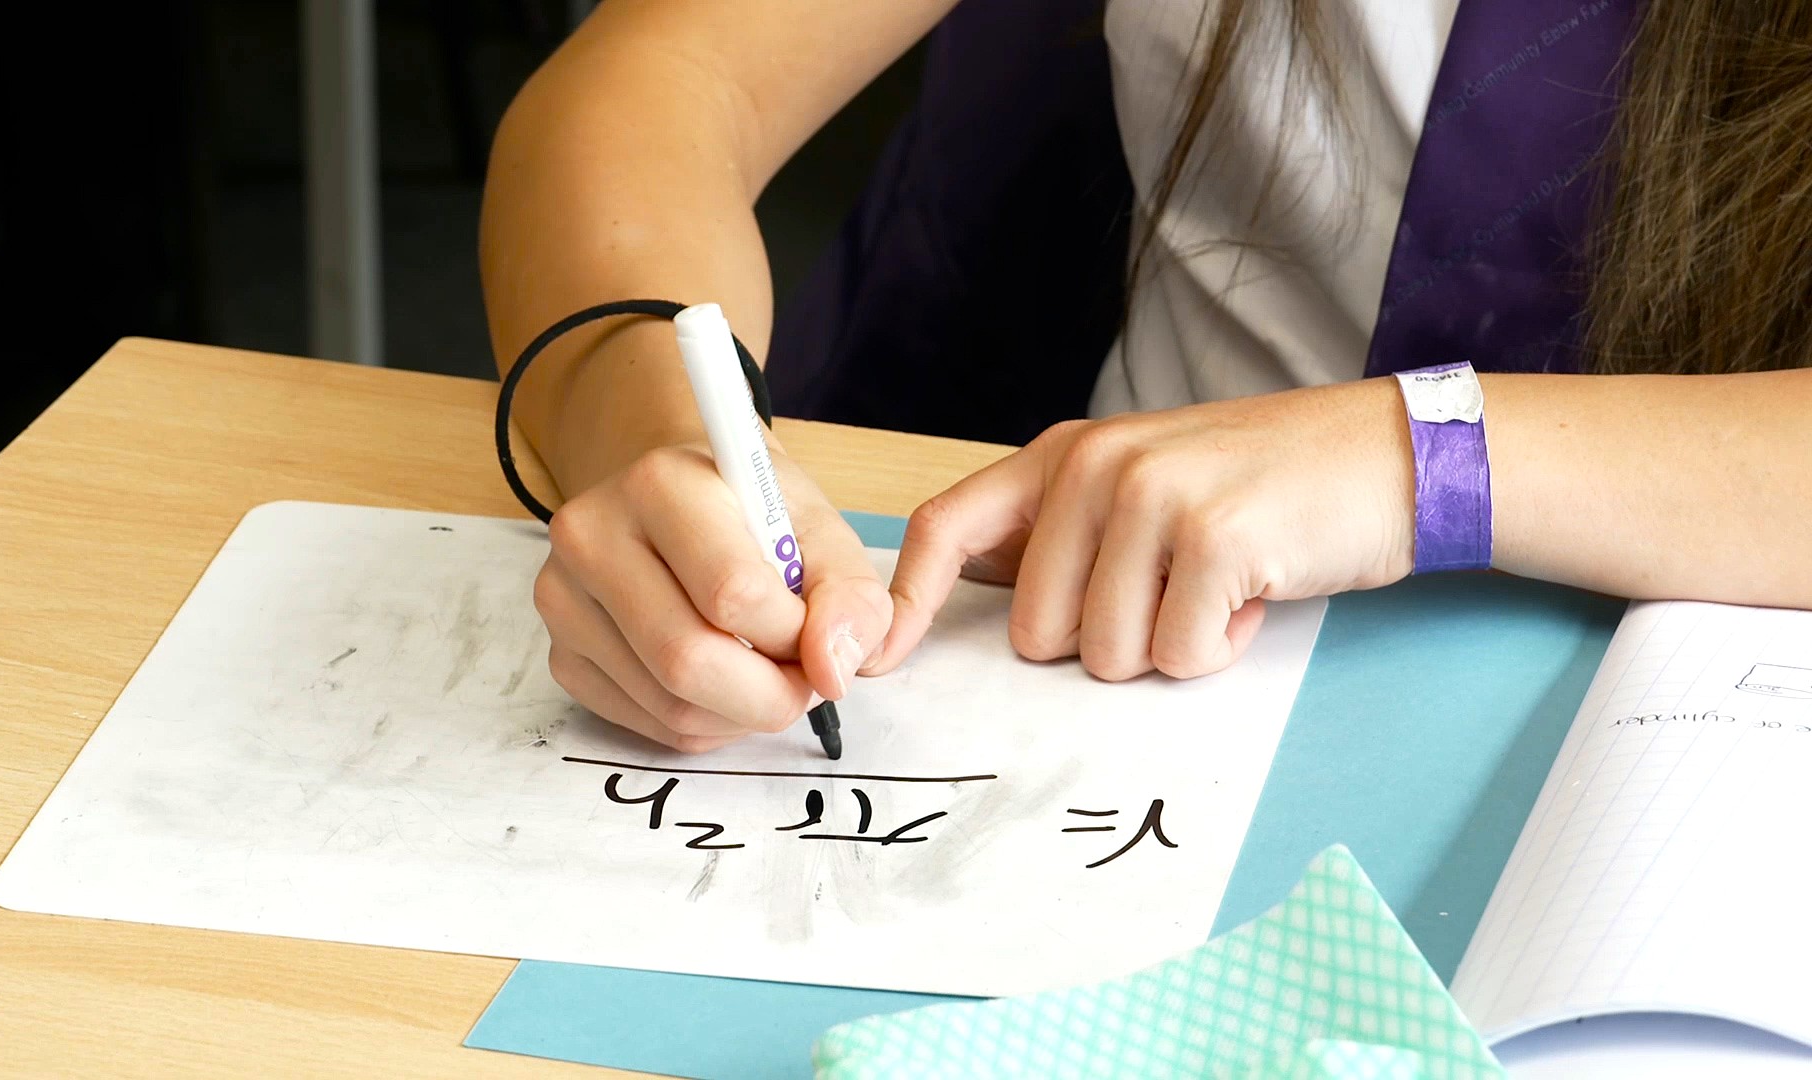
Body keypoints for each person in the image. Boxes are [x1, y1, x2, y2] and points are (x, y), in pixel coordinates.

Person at [478, 0, 1812, 753]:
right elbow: (662, 82)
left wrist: (1421, 459)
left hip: (1718, 717)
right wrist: (657, 445)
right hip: (1135, 661)